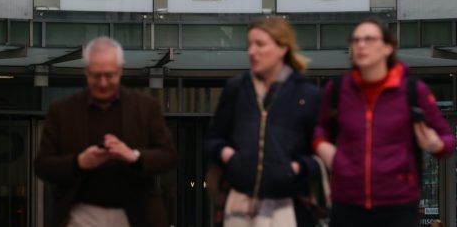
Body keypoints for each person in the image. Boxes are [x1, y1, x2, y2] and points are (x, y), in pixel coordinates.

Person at [314, 18, 455, 227]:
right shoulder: (337, 89)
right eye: (356, 40)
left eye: (369, 39)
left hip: (398, 204)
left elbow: (447, 139)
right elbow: (320, 129)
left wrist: (436, 145)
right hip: (347, 202)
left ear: (388, 48)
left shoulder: (413, 90)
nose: (361, 45)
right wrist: (323, 148)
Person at [34, 36, 177, 227]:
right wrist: (79, 162)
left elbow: (169, 157)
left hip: (137, 213)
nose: (102, 83)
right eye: (96, 75)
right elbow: (42, 165)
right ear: (86, 72)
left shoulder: (146, 106)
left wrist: (133, 157)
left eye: (109, 75)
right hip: (80, 213)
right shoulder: (61, 111)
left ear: (120, 70)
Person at [205, 16, 322, 227]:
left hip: (288, 206)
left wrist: (297, 167)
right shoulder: (236, 88)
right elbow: (213, 140)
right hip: (238, 202)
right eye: (249, 44)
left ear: (282, 47)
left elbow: (320, 151)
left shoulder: (307, 94)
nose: (252, 51)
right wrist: (228, 155)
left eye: (260, 44)